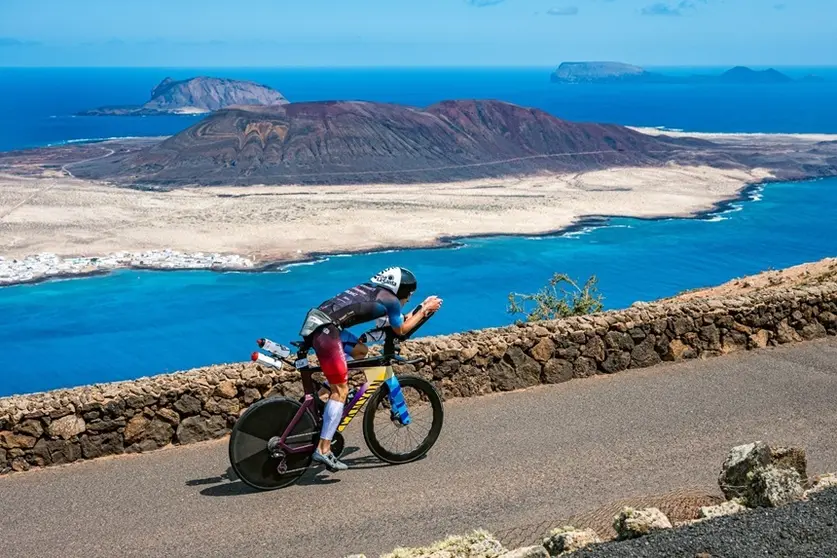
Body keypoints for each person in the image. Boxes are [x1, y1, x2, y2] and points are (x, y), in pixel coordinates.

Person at [298, 266, 443, 472]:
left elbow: (395, 322)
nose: (409, 298)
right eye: (409, 294)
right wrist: (425, 309)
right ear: (401, 290)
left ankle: (324, 394)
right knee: (341, 391)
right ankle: (323, 449)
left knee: (360, 351)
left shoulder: (373, 291)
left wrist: (421, 308)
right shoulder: (391, 301)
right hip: (326, 331)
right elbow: (401, 329)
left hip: (320, 323)